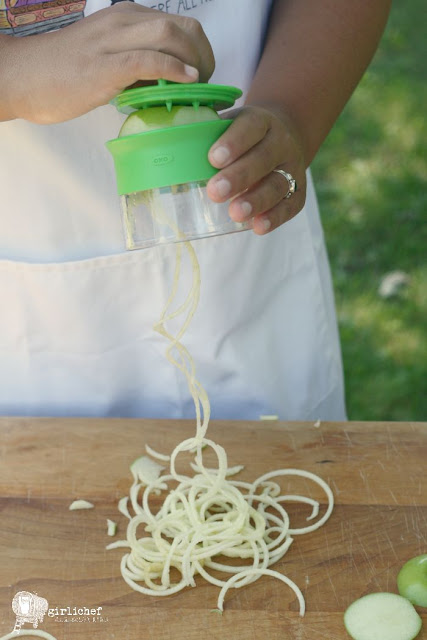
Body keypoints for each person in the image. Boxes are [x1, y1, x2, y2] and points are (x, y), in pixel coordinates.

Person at [0, 0, 391, 421]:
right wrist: (15, 73)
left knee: (282, 474)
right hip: (29, 291)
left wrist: (291, 116)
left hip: (248, 266)